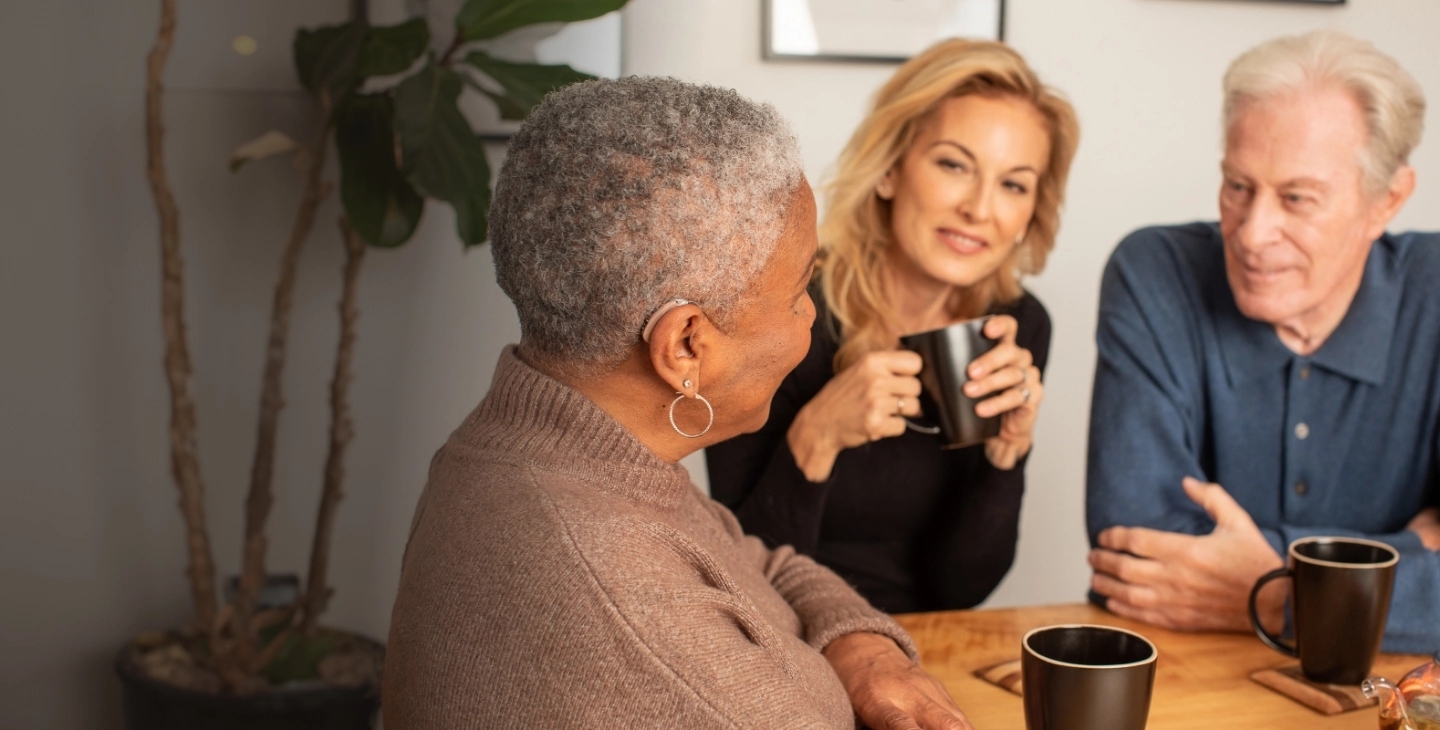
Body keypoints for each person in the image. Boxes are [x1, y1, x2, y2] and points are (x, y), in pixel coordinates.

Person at [383, 78, 973, 729]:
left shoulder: (556, 441)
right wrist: (846, 672)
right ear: (687, 346)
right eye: (802, 286)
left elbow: (762, 564)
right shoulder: (610, 571)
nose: (810, 315)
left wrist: (861, 654)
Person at [1087, 30, 1440, 653]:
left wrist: (1277, 594)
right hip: (1181, 677)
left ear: (1386, 200)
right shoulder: (1153, 272)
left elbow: (1205, 571)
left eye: (1297, 198)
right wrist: (1406, 552)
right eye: (1237, 186)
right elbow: (1136, 546)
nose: (1252, 234)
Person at [707, 39, 1079, 613]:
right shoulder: (780, 311)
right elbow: (739, 583)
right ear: (888, 171)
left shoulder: (1017, 327)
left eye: (1013, 184)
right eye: (954, 164)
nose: (980, 209)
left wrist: (1007, 456)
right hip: (780, 647)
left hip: (925, 646)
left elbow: (961, 590)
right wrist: (818, 435)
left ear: (1033, 210)